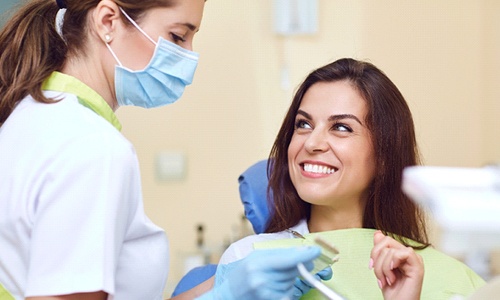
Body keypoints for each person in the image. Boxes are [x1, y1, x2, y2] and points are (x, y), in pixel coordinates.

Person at [0, 1, 324, 299]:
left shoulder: (32, 117)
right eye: (178, 36)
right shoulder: (93, 148)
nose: (189, 58)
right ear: (108, 21)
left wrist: (223, 284)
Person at [216, 58, 486, 299]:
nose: (312, 142)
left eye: (341, 128)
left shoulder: (456, 282)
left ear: (383, 157)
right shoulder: (249, 262)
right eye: (303, 124)